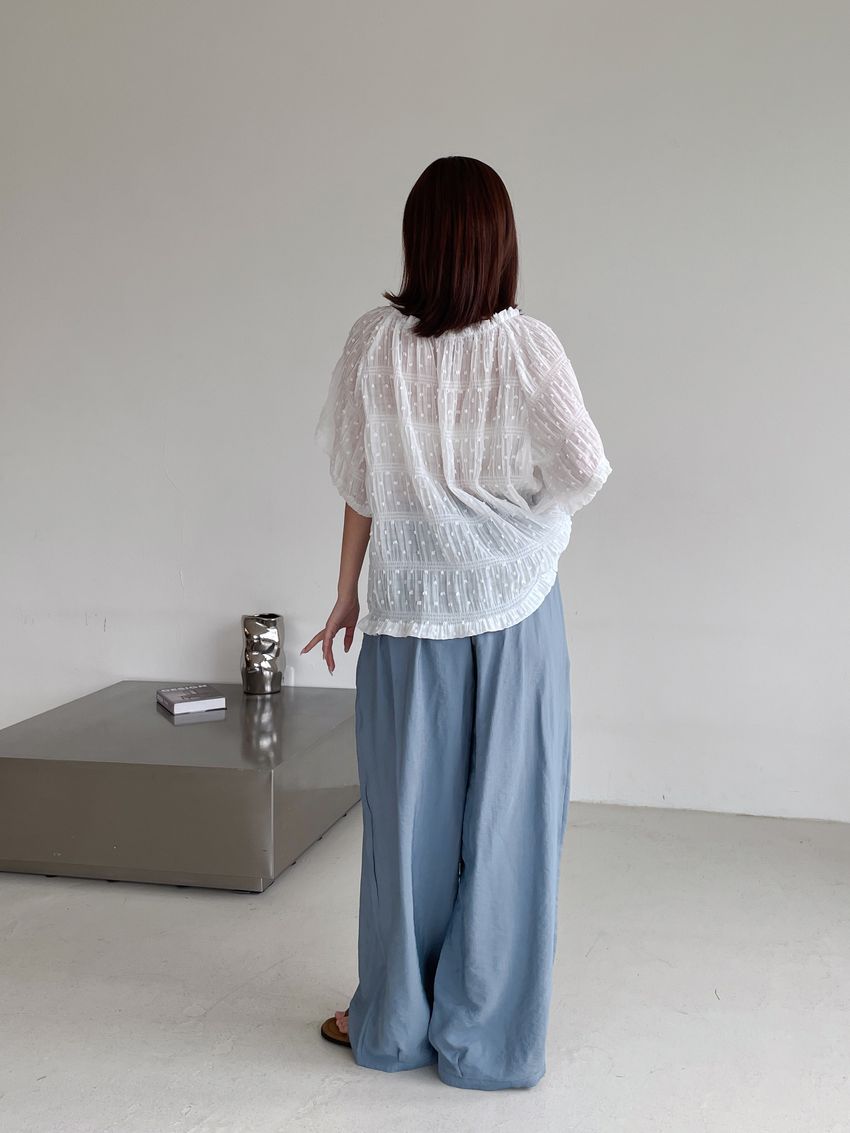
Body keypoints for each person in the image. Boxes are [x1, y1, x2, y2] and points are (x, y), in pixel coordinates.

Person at [302, 155, 612, 1091]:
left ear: (419, 241)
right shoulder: (527, 347)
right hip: (515, 617)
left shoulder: (372, 343)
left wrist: (347, 591)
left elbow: (361, 486)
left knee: (406, 833)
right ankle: (487, 1040)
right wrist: (526, 529)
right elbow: (585, 468)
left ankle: (394, 1023)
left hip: (406, 618)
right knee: (510, 826)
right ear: (498, 244)